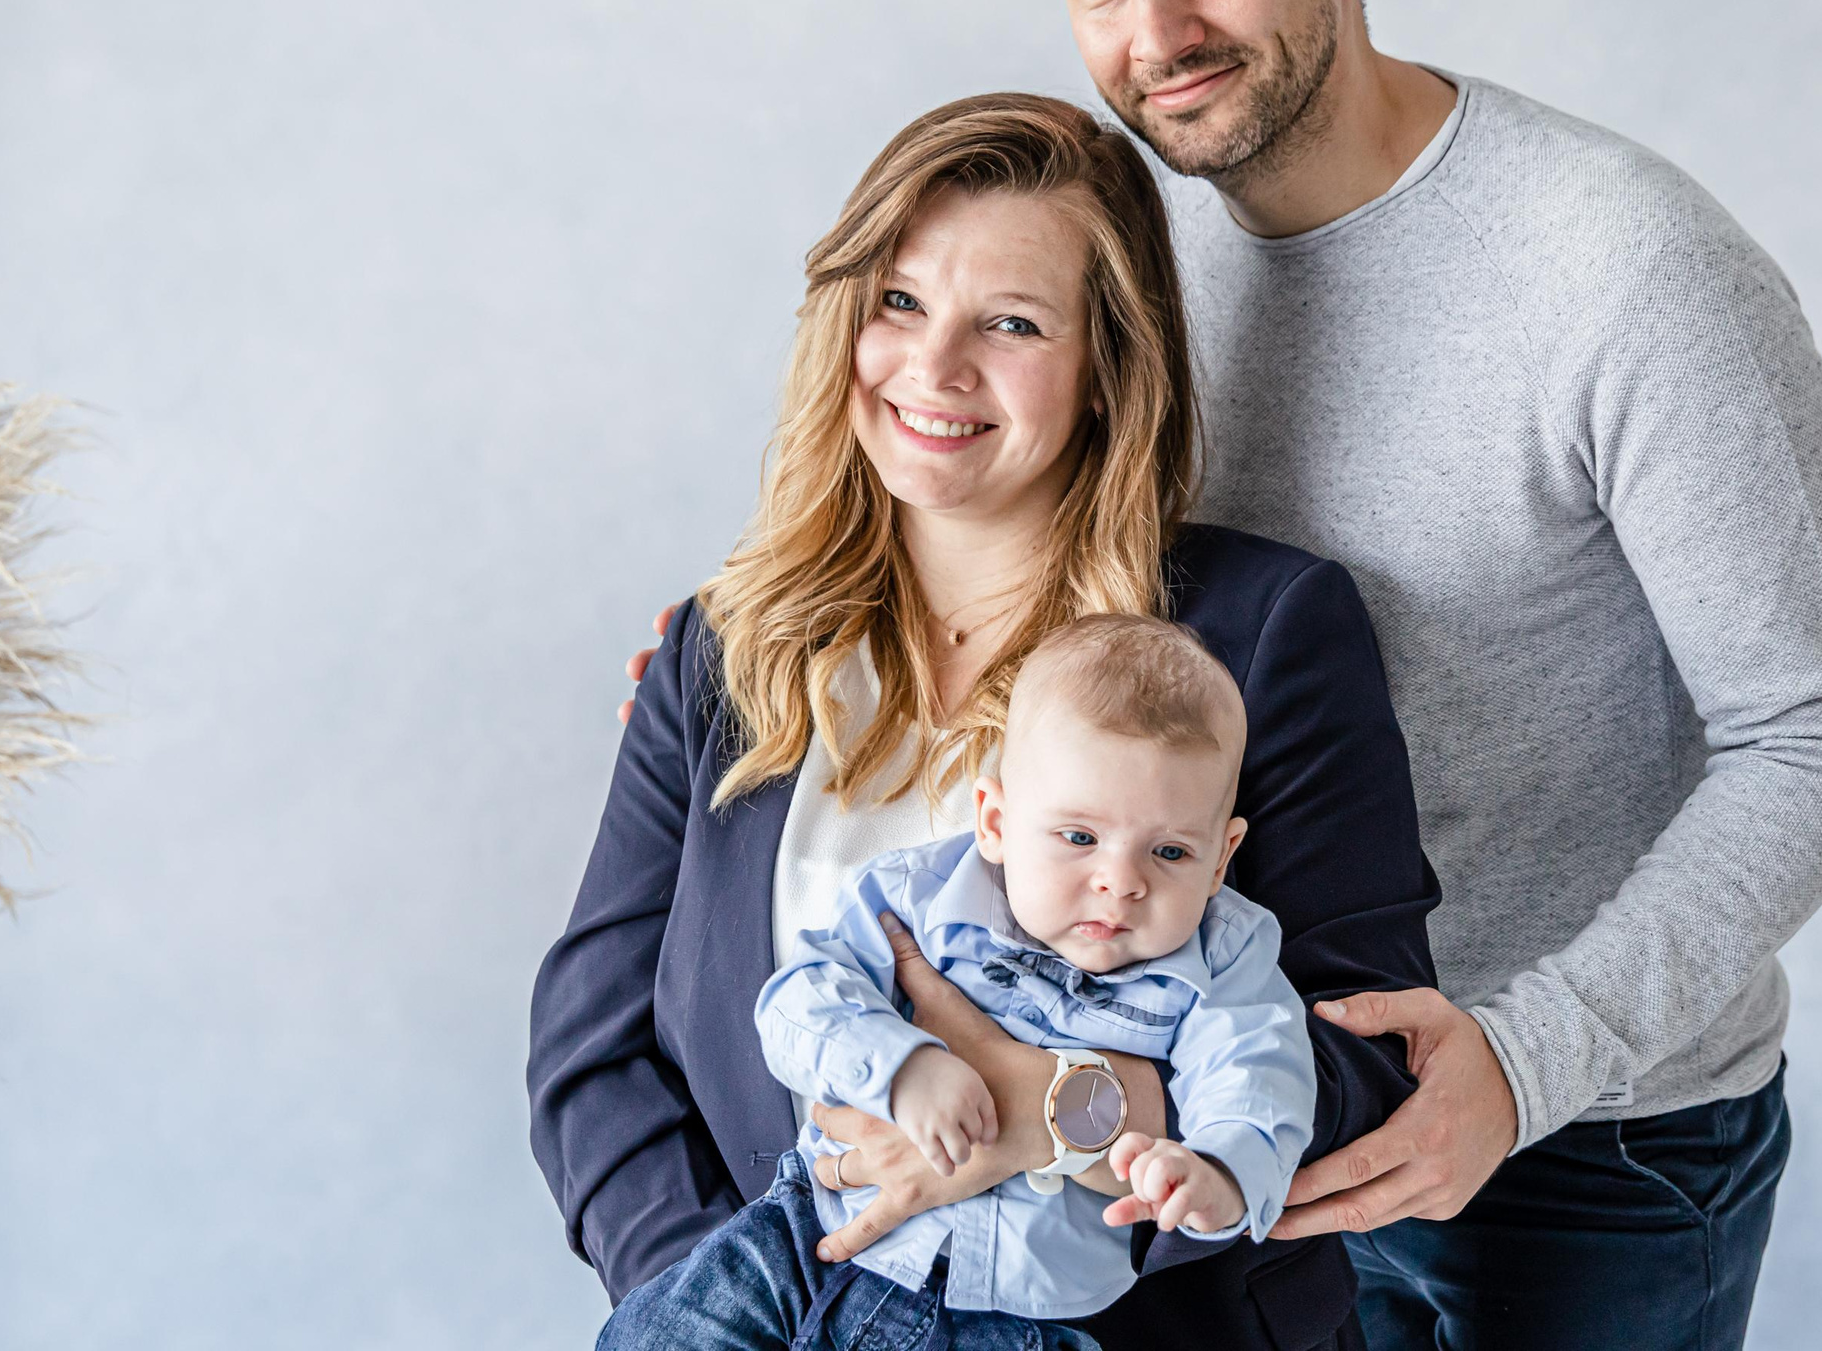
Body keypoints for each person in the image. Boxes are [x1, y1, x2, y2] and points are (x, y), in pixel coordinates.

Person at [621, 0, 1822, 1351]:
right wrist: (753, 636)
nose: (1157, 28)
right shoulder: (1137, 270)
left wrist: (1521, 1061)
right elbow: (998, 523)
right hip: (1186, 1101)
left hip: (1581, 1142)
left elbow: (1821, 736)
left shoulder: (1628, 272)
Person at [530, 92, 1439, 1351]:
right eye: (898, 303)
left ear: (1110, 369)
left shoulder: (1258, 634)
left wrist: (1065, 1109)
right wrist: (728, 1302)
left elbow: (1369, 1051)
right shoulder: (728, 648)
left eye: (1010, 324)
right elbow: (596, 1053)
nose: (934, 368)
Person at [597, 614, 1318, 1347]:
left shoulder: (1226, 953)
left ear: (1222, 855)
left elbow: (1259, 1071)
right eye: (1078, 837)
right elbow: (800, 997)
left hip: (1017, 1318)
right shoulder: (918, 895)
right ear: (995, 819)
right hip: (807, 1239)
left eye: (1170, 851)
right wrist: (901, 1066)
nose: (1119, 881)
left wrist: (1223, 1169)